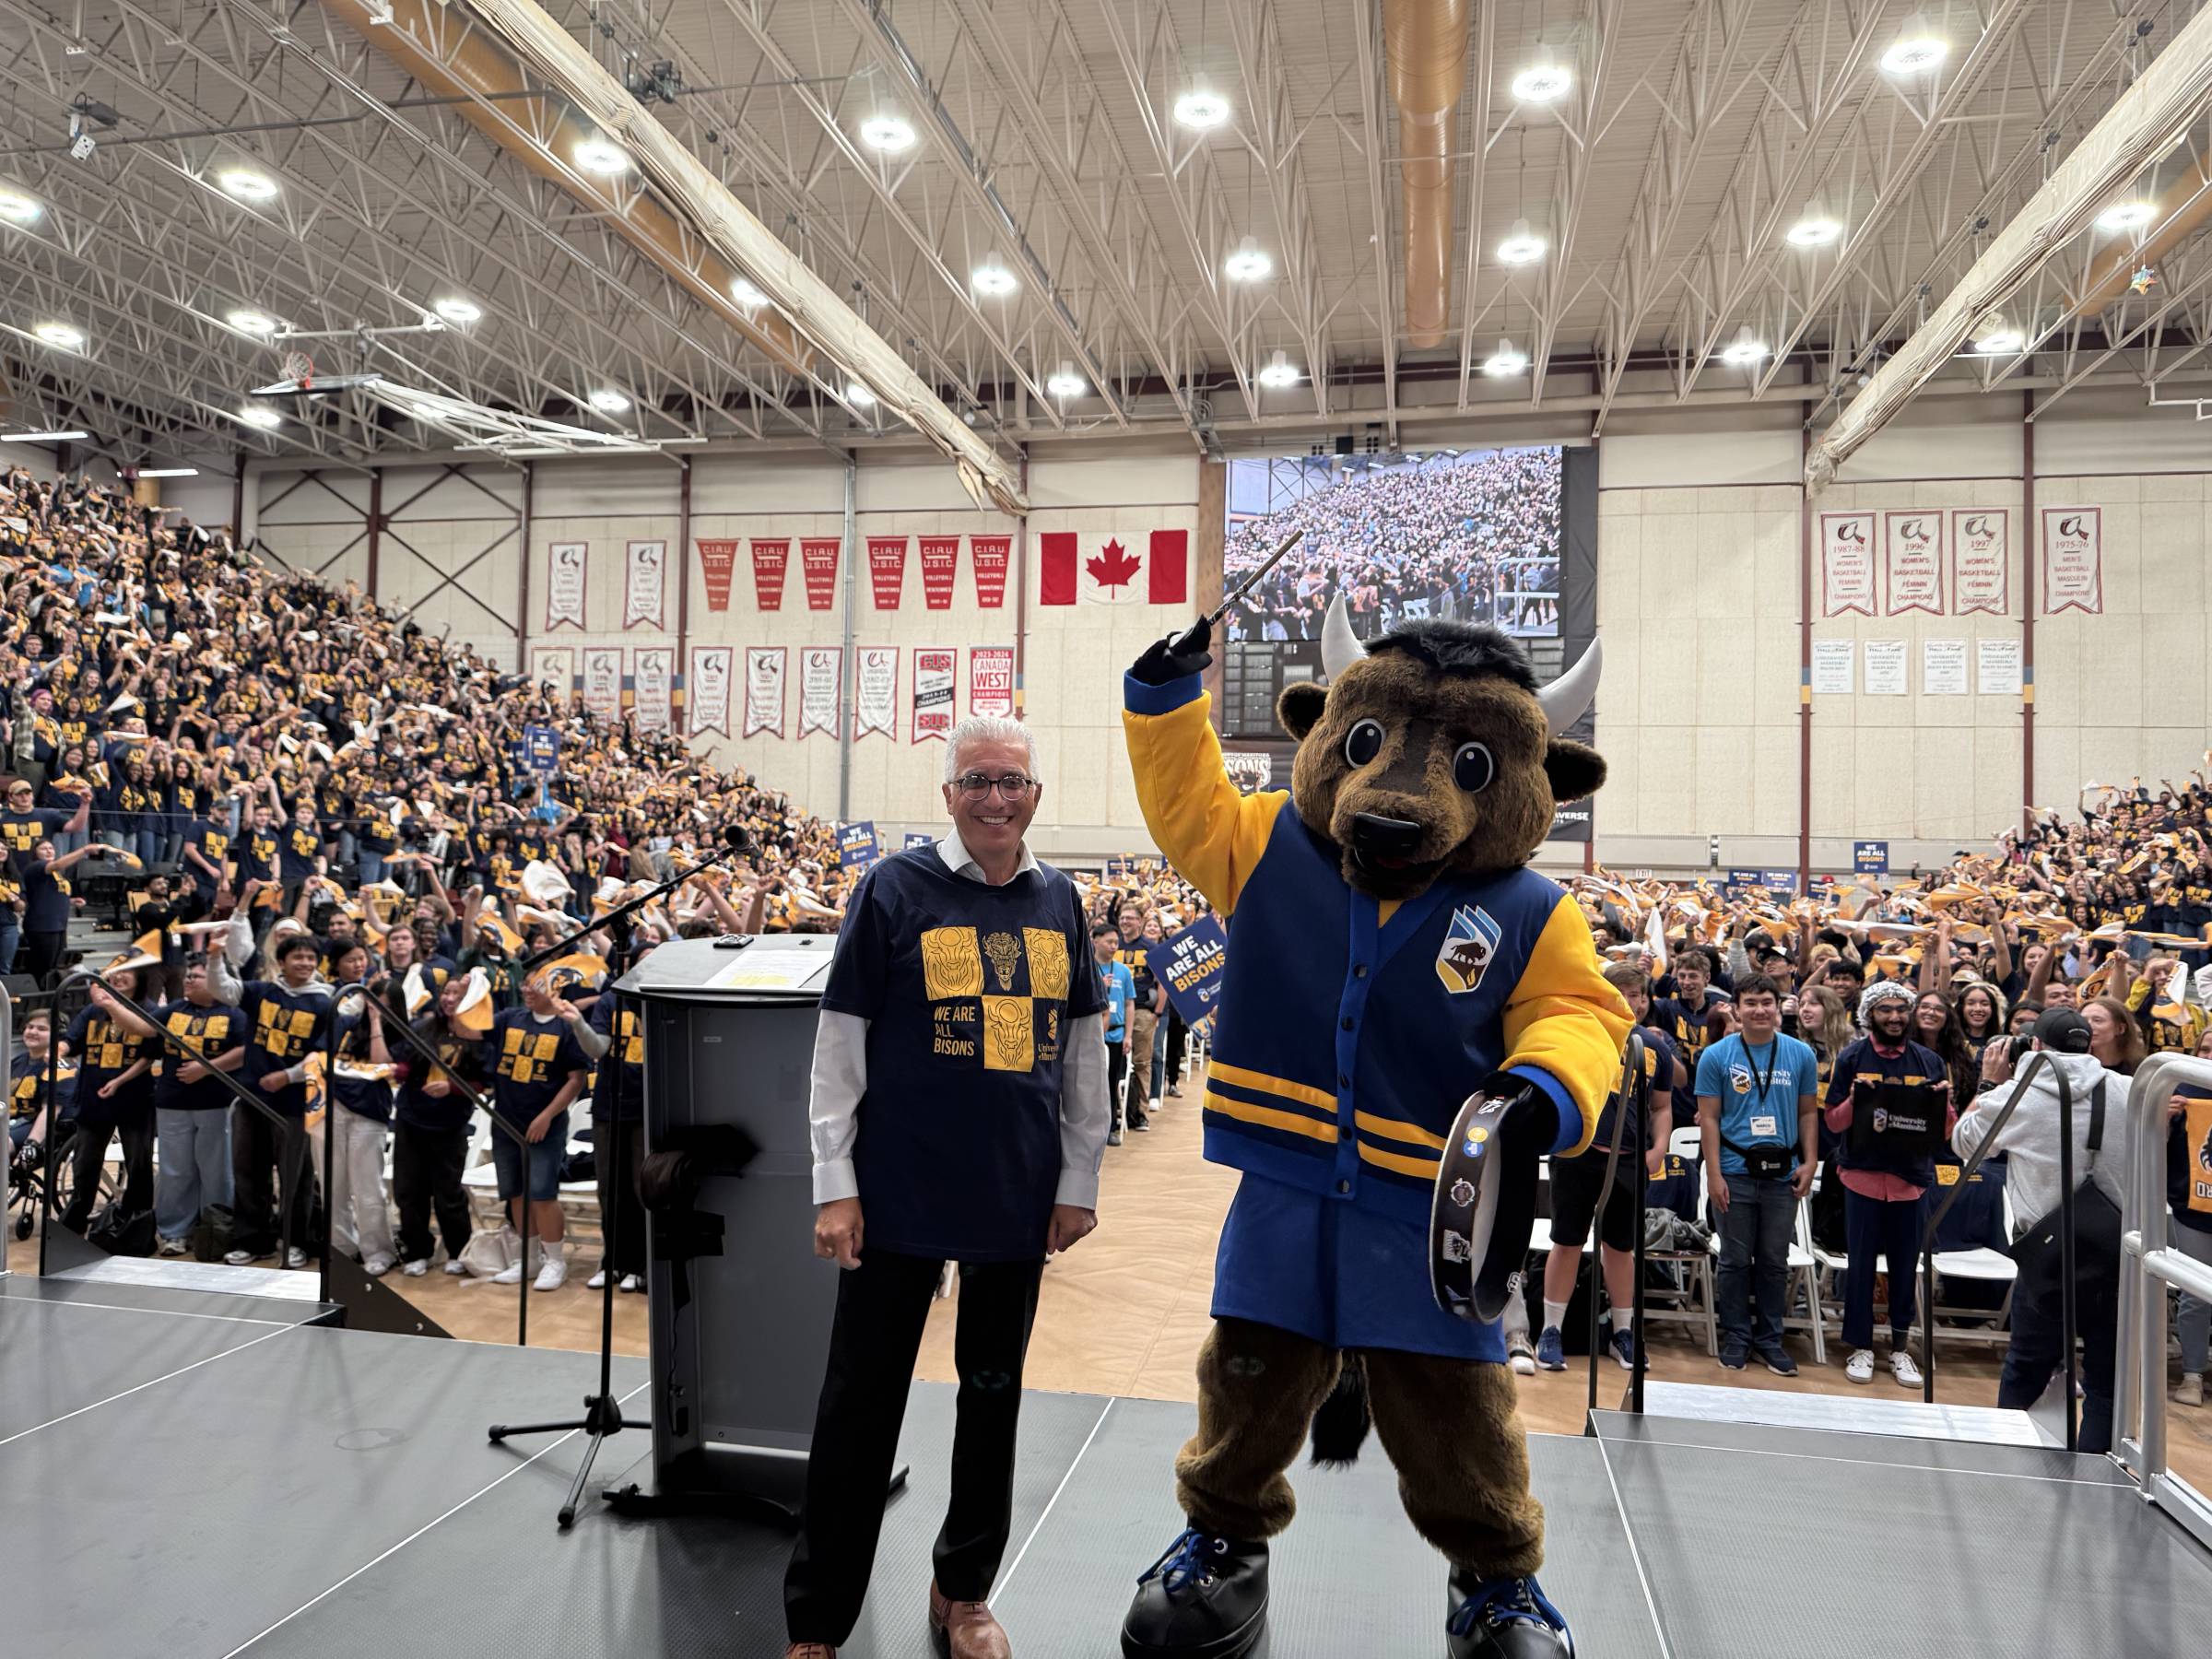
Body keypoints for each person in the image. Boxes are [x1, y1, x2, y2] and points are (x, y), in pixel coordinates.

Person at [784, 716, 1109, 1659]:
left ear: (1036, 795)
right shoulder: (893, 888)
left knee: (993, 1395)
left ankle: (963, 1591)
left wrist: (1078, 1177)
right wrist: (834, 1183)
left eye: (1012, 779)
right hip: (896, 1190)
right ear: (948, 795)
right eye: (977, 780)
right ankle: (819, 1618)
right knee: (859, 1404)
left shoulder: (1063, 902)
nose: (996, 798)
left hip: (1015, 1189)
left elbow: (1085, 1050)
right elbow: (839, 1044)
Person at [1955, 1006, 2131, 1453]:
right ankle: (2095, 1475)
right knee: (2107, 1380)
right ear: (2087, 1046)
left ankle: (2016, 1468)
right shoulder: (2130, 1091)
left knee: (2028, 1368)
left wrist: (1991, 1083)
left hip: (2048, 1254)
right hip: (2115, 1251)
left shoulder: (2021, 1095)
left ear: (2035, 1046)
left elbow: (1966, 1143)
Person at [1534, 961, 1672, 1371]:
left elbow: (1661, 1107)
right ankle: (1551, 1330)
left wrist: (1659, 1148)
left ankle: (1623, 1332)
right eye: (1624, 993)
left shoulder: (1653, 1047)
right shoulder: (1579, 1035)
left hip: (1629, 1161)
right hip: (1578, 1156)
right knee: (1567, 1241)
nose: (1632, 1002)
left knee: (1621, 1248)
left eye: (1639, 994)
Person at [1822, 983, 1953, 1386]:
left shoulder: (1929, 1061)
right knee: (1859, 1267)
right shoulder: (1850, 1058)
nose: (1895, 1017)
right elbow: (1833, 1122)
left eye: (1901, 1010)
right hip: (1861, 1178)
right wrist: (1856, 1101)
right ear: (1869, 1015)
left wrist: (1943, 1103)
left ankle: (1900, 1348)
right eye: (1885, 1010)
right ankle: (1859, 1346)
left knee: (1903, 1269)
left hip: (1910, 1182)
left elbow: (1946, 1129)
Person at [1696, 974, 1820, 1374]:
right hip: (1734, 1170)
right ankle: (1737, 1336)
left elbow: (1806, 1113)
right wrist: (1713, 1175)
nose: (1760, 1010)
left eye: (1767, 1001)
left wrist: (1810, 1160)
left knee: (1773, 1260)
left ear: (1778, 1005)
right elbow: (1710, 1121)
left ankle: (1770, 1339)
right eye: (1751, 1002)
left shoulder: (1800, 1055)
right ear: (1736, 1008)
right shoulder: (1716, 1056)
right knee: (1733, 1259)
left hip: (1782, 1173)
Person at [101, 956, 246, 1255]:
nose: (189, 979)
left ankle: (215, 1229)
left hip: (215, 1103)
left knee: (215, 1171)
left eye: (198, 976)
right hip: (172, 1102)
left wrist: (207, 1067)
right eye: (189, 975)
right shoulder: (176, 1009)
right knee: (175, 1171)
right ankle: (175, 1233)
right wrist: (111, 1005)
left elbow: (246, 1050)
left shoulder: (234, 1013)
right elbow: (143, 1028)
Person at [212, 926, 332, 1268]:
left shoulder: (325, 1002)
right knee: (249, 1172)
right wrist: (213, 957)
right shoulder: (263, 991)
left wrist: (288, 1077)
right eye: (298, 957)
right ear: (282, 961)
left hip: (294, 1104)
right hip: (251, 1099)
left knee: (296, 1177)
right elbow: (222, 989)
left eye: (311, 958)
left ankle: (296, 1242)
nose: (305, 963)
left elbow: (321, 1056)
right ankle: (252, 1240)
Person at [487, 971, 597, 1291]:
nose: (526, 989)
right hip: (505, 1120)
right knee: (516, 1193)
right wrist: (472, 993)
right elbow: (469, 1030)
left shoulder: (567, 1026)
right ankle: (528, 1258)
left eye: (535, 985)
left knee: (542, 1192)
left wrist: (547, 1116)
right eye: (525, 984)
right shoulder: (510, 1017)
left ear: (555, 988)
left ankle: (555, 1260)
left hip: (544, 1124)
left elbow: (576, 1079)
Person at [384, 969, 483, 1277]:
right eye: (448, 993)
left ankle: (457, 1250)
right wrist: (397, 1071)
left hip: (449, 1124)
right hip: (412, 1119)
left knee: (448, 1192)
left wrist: (451, 1088)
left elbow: (482, 1082)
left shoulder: (476, 1035)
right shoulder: (423, 1027)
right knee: (409, 1189)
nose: (451, 999)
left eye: (459, 994)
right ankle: (417, 1250)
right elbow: (405, 1064)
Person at [61, 970, 159, 1234]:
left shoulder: (148, 1009)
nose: (118, 978)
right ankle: (74, 1221)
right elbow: (72, 1041)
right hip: (93, 1097)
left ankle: (136, 1221)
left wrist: (119, 1082)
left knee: (138, 1161)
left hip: (134, 1098)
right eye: (112, 974)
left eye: (125, 973)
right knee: (84, 1163)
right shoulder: (92, 1011)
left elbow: (150, 1055)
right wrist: (60, 1048)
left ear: (140, 977)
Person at [2165, 1027, 2212, 1407]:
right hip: (2191, 1207)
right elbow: (2152, 1145)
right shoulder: (2180, 1089)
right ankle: (2193, 1374)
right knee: (2196, 1293)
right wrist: (2164, 1118)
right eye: (2207, 1048)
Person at [1093, 923, 1135, 1145]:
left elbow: (1129, 1004)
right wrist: (1098, 984)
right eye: (1109, 941)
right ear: (1095, 940)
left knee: (1111, 1083)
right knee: (1092, 1085)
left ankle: (1111, 1128)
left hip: (1116, 1036)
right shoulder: (1087, 969)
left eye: (1116, 943)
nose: (1113, 946)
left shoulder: (1123, 971)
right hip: (1093, 1036)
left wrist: (1128, 1035)